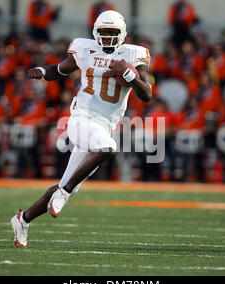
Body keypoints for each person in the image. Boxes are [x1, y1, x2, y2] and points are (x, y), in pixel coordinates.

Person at [10, 10, 152, 248]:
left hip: (103, 126)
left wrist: (129, 75)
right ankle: (63, 194)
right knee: (108, 148)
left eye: (112, 33)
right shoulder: (84, 48)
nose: (107, 37)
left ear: (122, 34)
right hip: (80, 119)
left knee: (70, 183)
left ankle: (22, 220)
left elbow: (146, 94)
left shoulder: (134, 54)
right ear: (96, 32)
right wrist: (44, 72)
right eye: (103, 33)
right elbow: (61, 69)